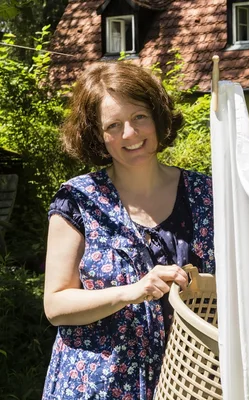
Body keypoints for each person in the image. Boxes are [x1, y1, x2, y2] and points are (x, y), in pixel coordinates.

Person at [41, 62, 215, 399]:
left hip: (189, 381)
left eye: (139, 117)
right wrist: (132, 291)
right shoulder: (78, 200)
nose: (130, 135)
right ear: (97, 135)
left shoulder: (205, 194)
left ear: (157, 116)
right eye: (113, 125)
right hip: (96, 384)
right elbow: (55, 305)